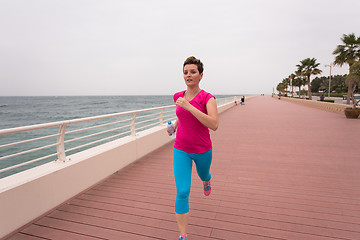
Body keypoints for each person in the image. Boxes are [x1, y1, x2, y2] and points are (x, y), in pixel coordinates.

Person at [168, 56, 219, 240]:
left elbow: (214, 124)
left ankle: (207, 180)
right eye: (185, 72)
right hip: (180, 148)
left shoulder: (208, 98)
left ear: (201, 75)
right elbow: (182, 116)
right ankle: (183, 236)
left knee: (203, 174)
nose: (188, 75)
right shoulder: (178, 96)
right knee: (182, 191)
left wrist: (189, 107)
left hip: (202, 149)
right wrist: (174, 125)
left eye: (193, 72)